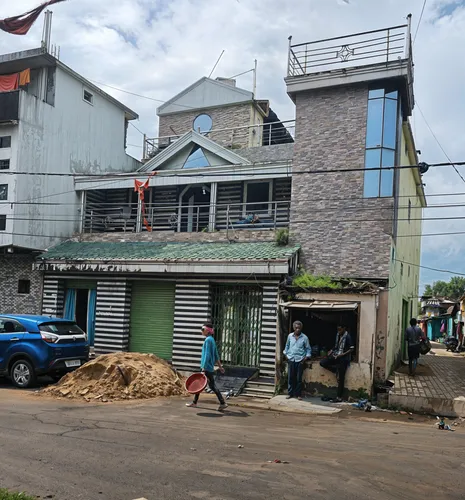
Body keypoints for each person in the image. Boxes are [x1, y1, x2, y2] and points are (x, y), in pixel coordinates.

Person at [186, 323, 228, 411]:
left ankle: (222, 403)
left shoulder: (208, 340)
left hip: (206, 367)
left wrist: (204, 368)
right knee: (203, 385)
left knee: (208, 385)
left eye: (202, 329)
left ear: (207, 330)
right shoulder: (212, 340)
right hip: (209, 367)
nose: (201, 331)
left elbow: (207, 355)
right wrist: (220, 367)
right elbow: (216, 355)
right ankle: (195, 402)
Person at [320, 325, 354, 402]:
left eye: (340, 329)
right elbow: (336, 346)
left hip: (343, 358)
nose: (339, 331)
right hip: (336, 355)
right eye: (338, 329)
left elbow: (351, 349)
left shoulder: (348, 337)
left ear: (344, 328)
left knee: (341, 379)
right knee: (323, 363)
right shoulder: (338, 335)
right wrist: (331, 350)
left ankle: (339, 397)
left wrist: (342, 354)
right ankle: (335, 370)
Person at [283, 321, 311, 400]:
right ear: (293, 328)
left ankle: (298, 394)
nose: (297, 329)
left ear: (301, 328)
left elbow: (308, 349)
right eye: (296, 328)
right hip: (291, 359)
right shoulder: (290, 336)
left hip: (300, 360)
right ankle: (290, 393)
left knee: (299, 378)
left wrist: (305, 358)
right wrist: (286, 355)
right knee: (290, 378)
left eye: (299, 328)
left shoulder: (305, 338)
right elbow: (287, 346)